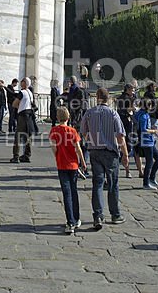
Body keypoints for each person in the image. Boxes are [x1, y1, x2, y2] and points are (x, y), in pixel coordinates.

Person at [80, 87, 129, 229]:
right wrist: (125, 154)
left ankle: (98, 215)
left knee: (98, 184)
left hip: (95, 151)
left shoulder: (89, 113)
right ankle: (115, 214)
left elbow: (83, 132)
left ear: (97, 97)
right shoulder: (113, 114)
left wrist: (91, 139)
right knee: (113, 184)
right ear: (109, 99)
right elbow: (120, 136)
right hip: (110, 152)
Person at [50, 106, 87, 234]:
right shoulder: (72, 131)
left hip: (62, 165)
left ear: (57, 117)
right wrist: (82, 161)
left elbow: (53, 147)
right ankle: (76, 218)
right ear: (68, 117)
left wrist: (57, 155)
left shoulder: (54, 131)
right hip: (73, 165)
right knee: (74, 191)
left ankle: (70, 221)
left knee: (66, 193)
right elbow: (78, 148)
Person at [116, 83, 142, 179]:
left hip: (134, 124)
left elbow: (139, 105)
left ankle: (140, 171)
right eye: (132, 89)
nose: (133, 91)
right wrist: (129, 109)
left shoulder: (135, 97)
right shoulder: (122, 98)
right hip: (126, 125)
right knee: (127, 148)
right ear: (127, 89)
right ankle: (127, 170)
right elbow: (121, 111)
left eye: (134, 89)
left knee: (137, 149)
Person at [135, 98, 158, 190]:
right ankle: (146, 183)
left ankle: (151, 179)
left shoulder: (140, 114)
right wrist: (153, 130)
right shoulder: (144, 115)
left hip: (147, 141)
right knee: (150, 162)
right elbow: (144, 130)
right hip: (146, 141)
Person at [10, 78, 37, 164]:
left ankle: (16, 156)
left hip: (22, 115)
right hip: (29, 115)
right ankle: (27, 155)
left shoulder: (22, 92)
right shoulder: (30, 92)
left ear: (24, 83)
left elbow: (14, 103)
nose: (21, 82)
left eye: (22, 81)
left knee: (18, 136)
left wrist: (20, 108)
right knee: (27, 136)